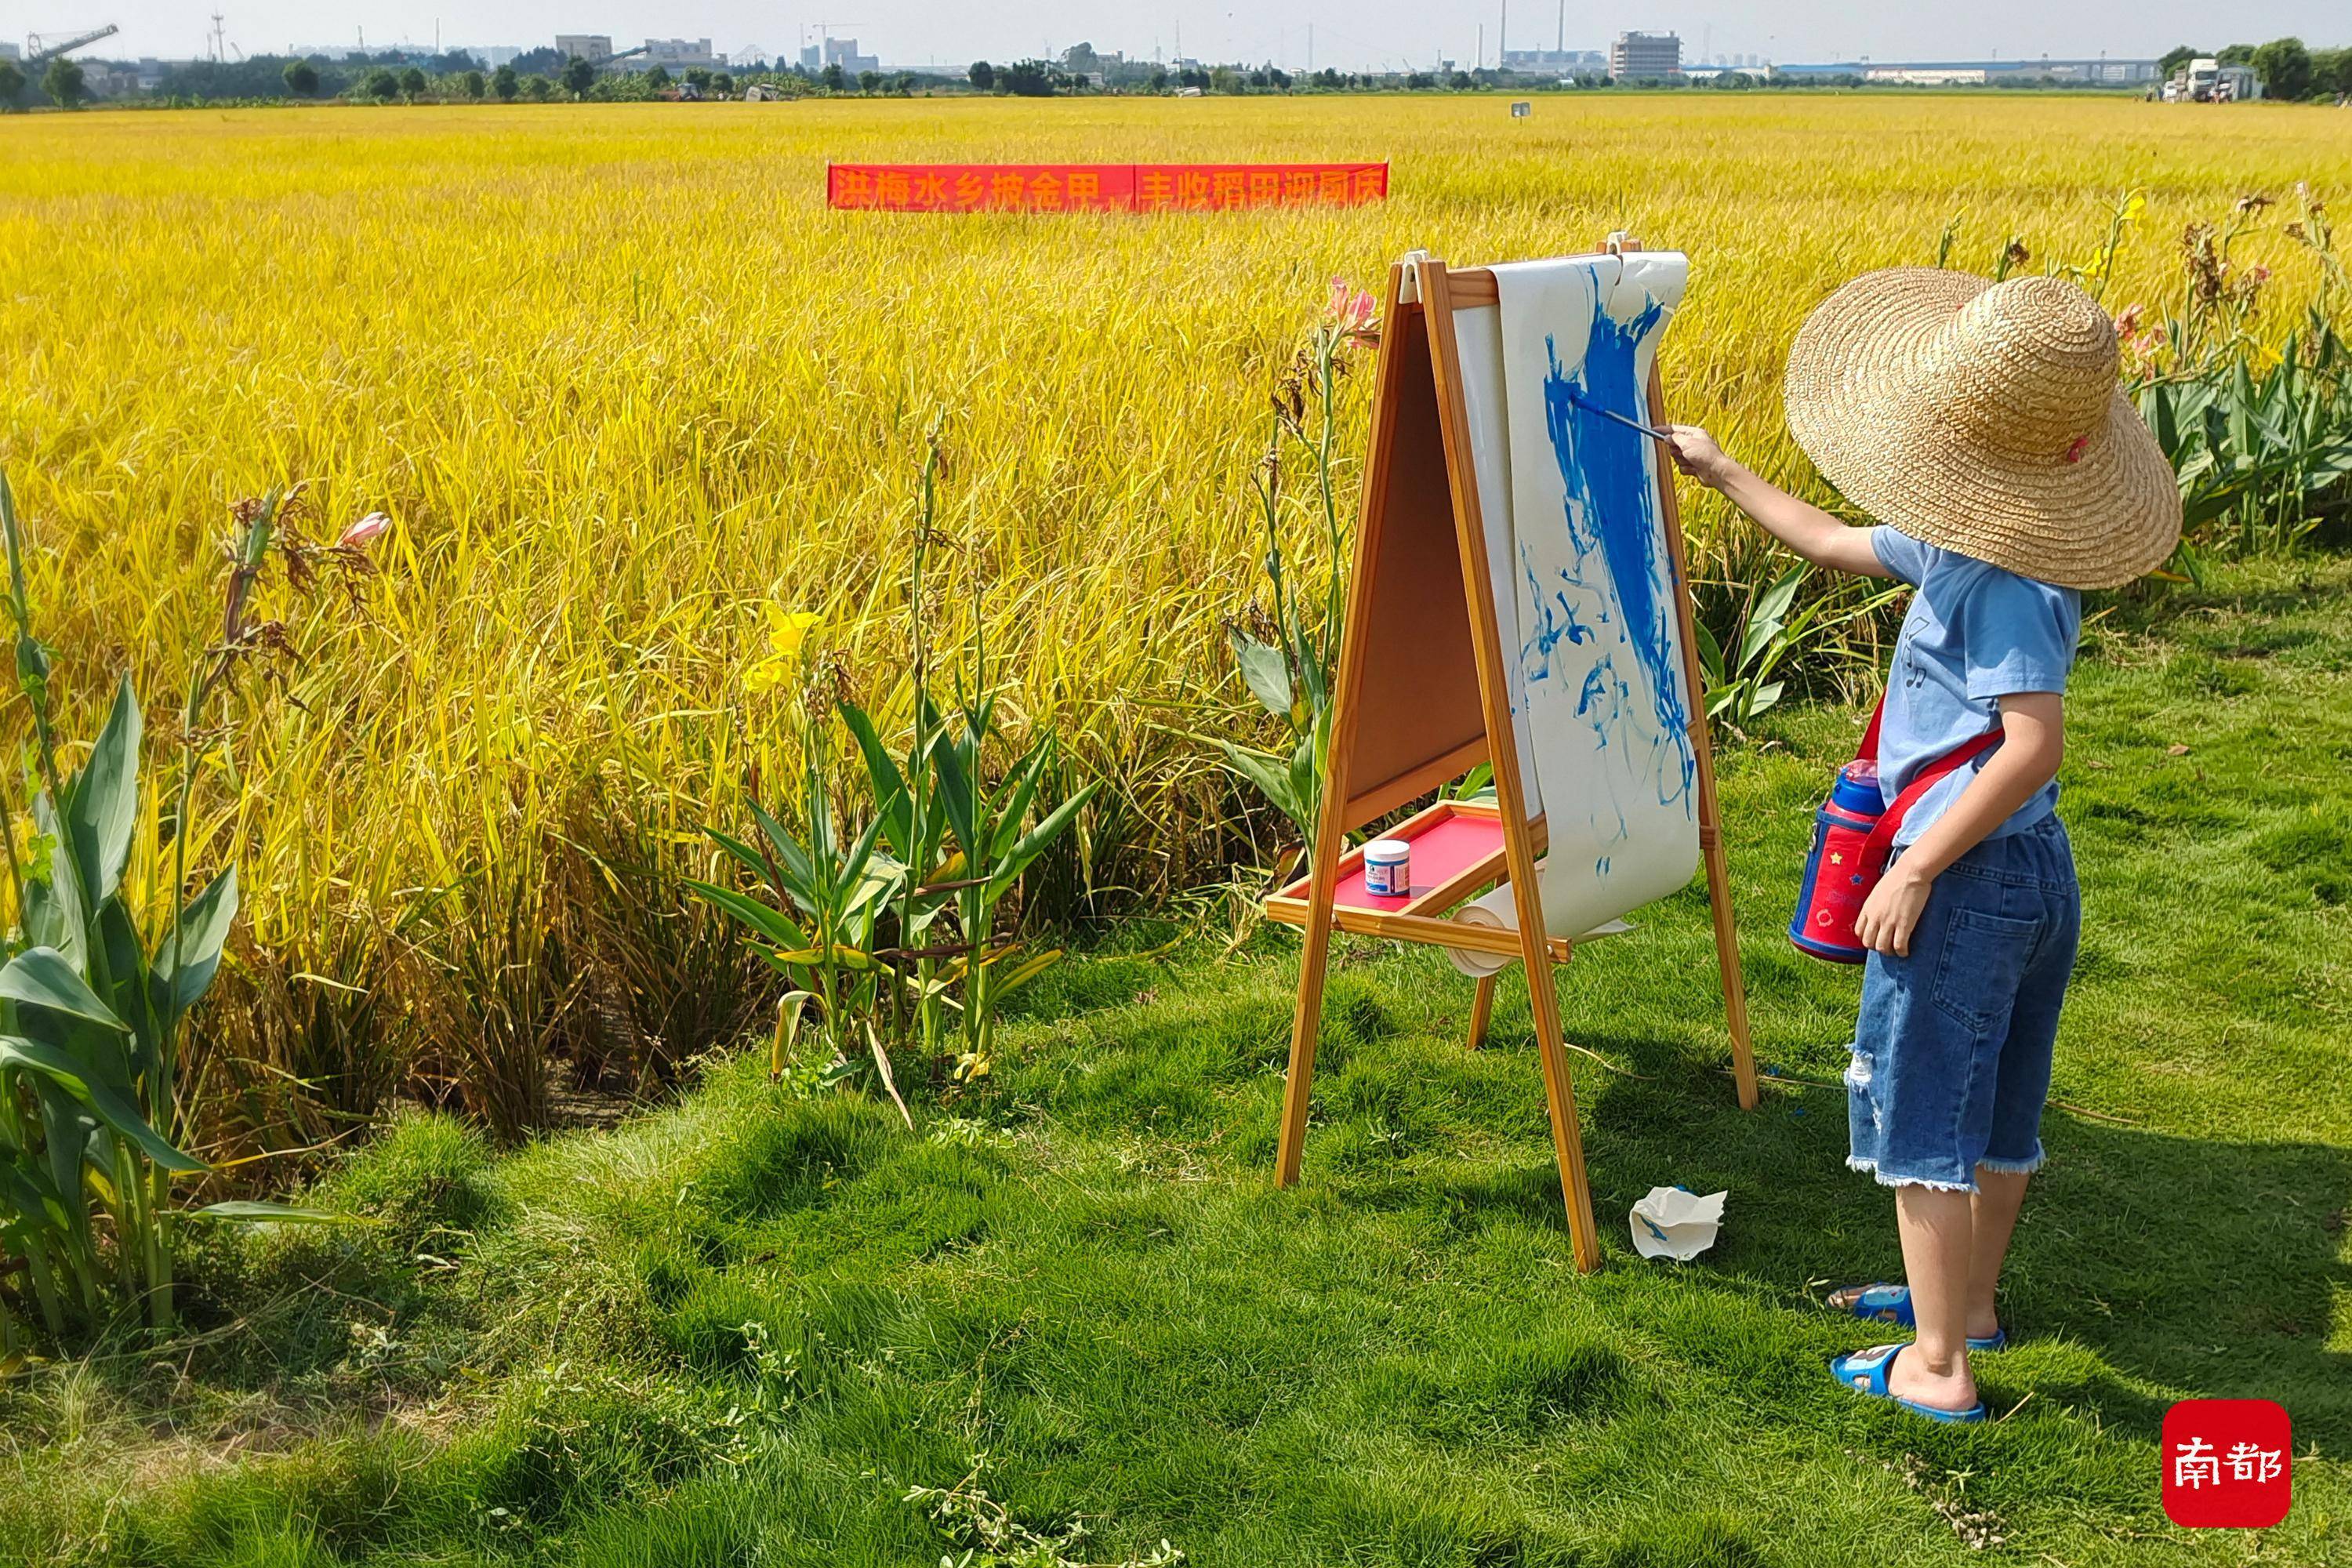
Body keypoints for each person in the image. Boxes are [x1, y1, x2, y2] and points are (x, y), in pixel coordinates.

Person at [1665, 270, 2182, 1421]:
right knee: (1997, 1110)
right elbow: (1841, 542)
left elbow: (2032, 745)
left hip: (1971, 876)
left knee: (1923, 1119)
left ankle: (1939, 1369)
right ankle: (1972, 1310)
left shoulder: (2006, 579)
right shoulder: (1970, 540)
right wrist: (1723, 469)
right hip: (2026, 874)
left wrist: (1914, 866)